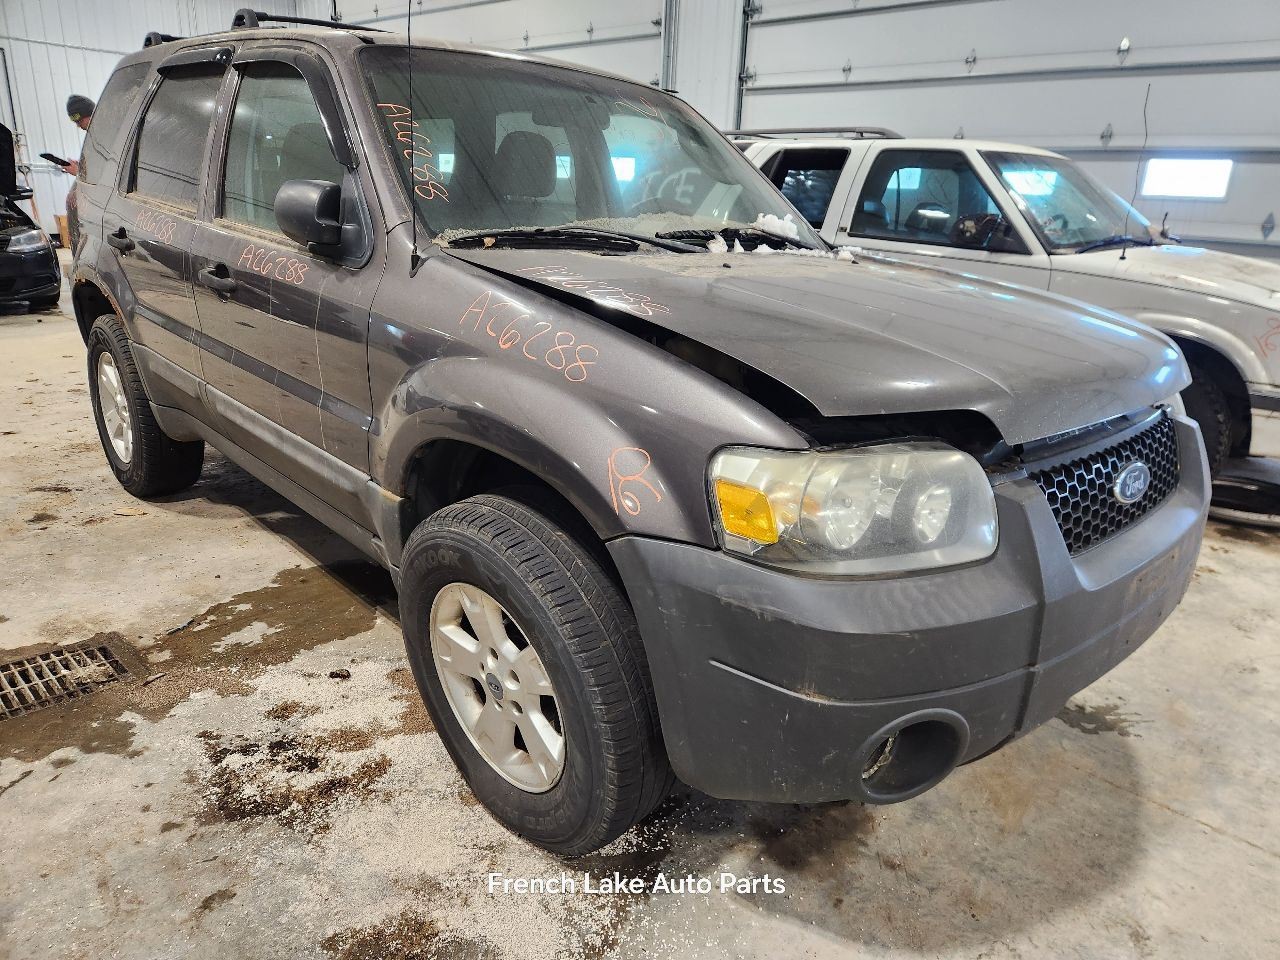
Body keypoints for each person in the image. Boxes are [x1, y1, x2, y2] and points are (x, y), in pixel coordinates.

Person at [62, 94, 94, 176]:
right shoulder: (94, 137)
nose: (78, 126)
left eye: (79, 121)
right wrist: (84, 167)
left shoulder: (107, 136)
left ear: (91, 114)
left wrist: (79, 173)